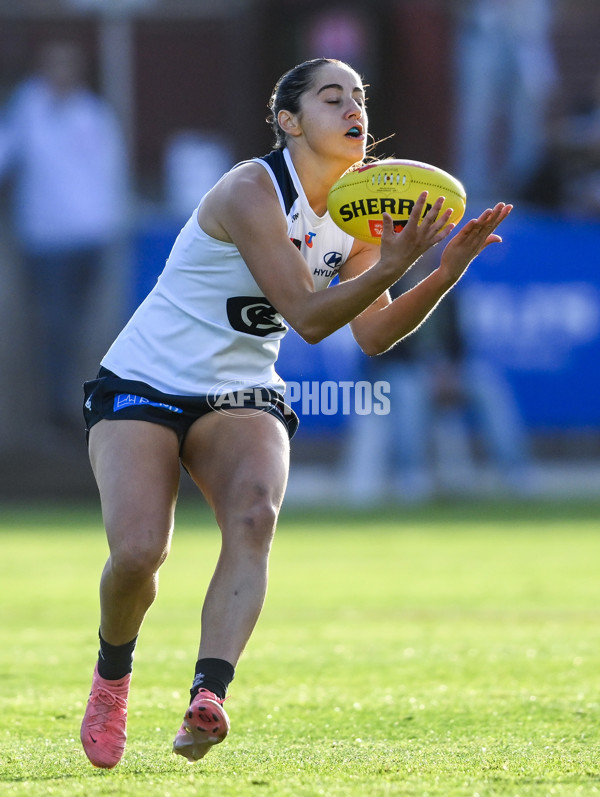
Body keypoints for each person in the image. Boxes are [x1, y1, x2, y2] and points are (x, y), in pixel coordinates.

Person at [78, 57, 512, 769]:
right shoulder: (252, 188)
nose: (354, 110)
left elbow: (372, 333)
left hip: (243, 388)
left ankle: (207, 695)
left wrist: (444, 269)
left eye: (360, 99)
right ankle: (112, 675)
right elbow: (309, 318)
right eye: (332, 97)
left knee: (255, 516)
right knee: (138, 552)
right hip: (146, 378)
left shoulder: (365, 206)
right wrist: (388, 265)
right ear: (288, 120)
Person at [0, 40, 128, 432]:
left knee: (85, 327)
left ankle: (82, 405)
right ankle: (56, 411)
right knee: (56, 325)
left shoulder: (93, 113)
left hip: (91, 236)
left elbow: (111, 173)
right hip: (47, 239)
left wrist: (112, 224)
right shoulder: (28, 108)